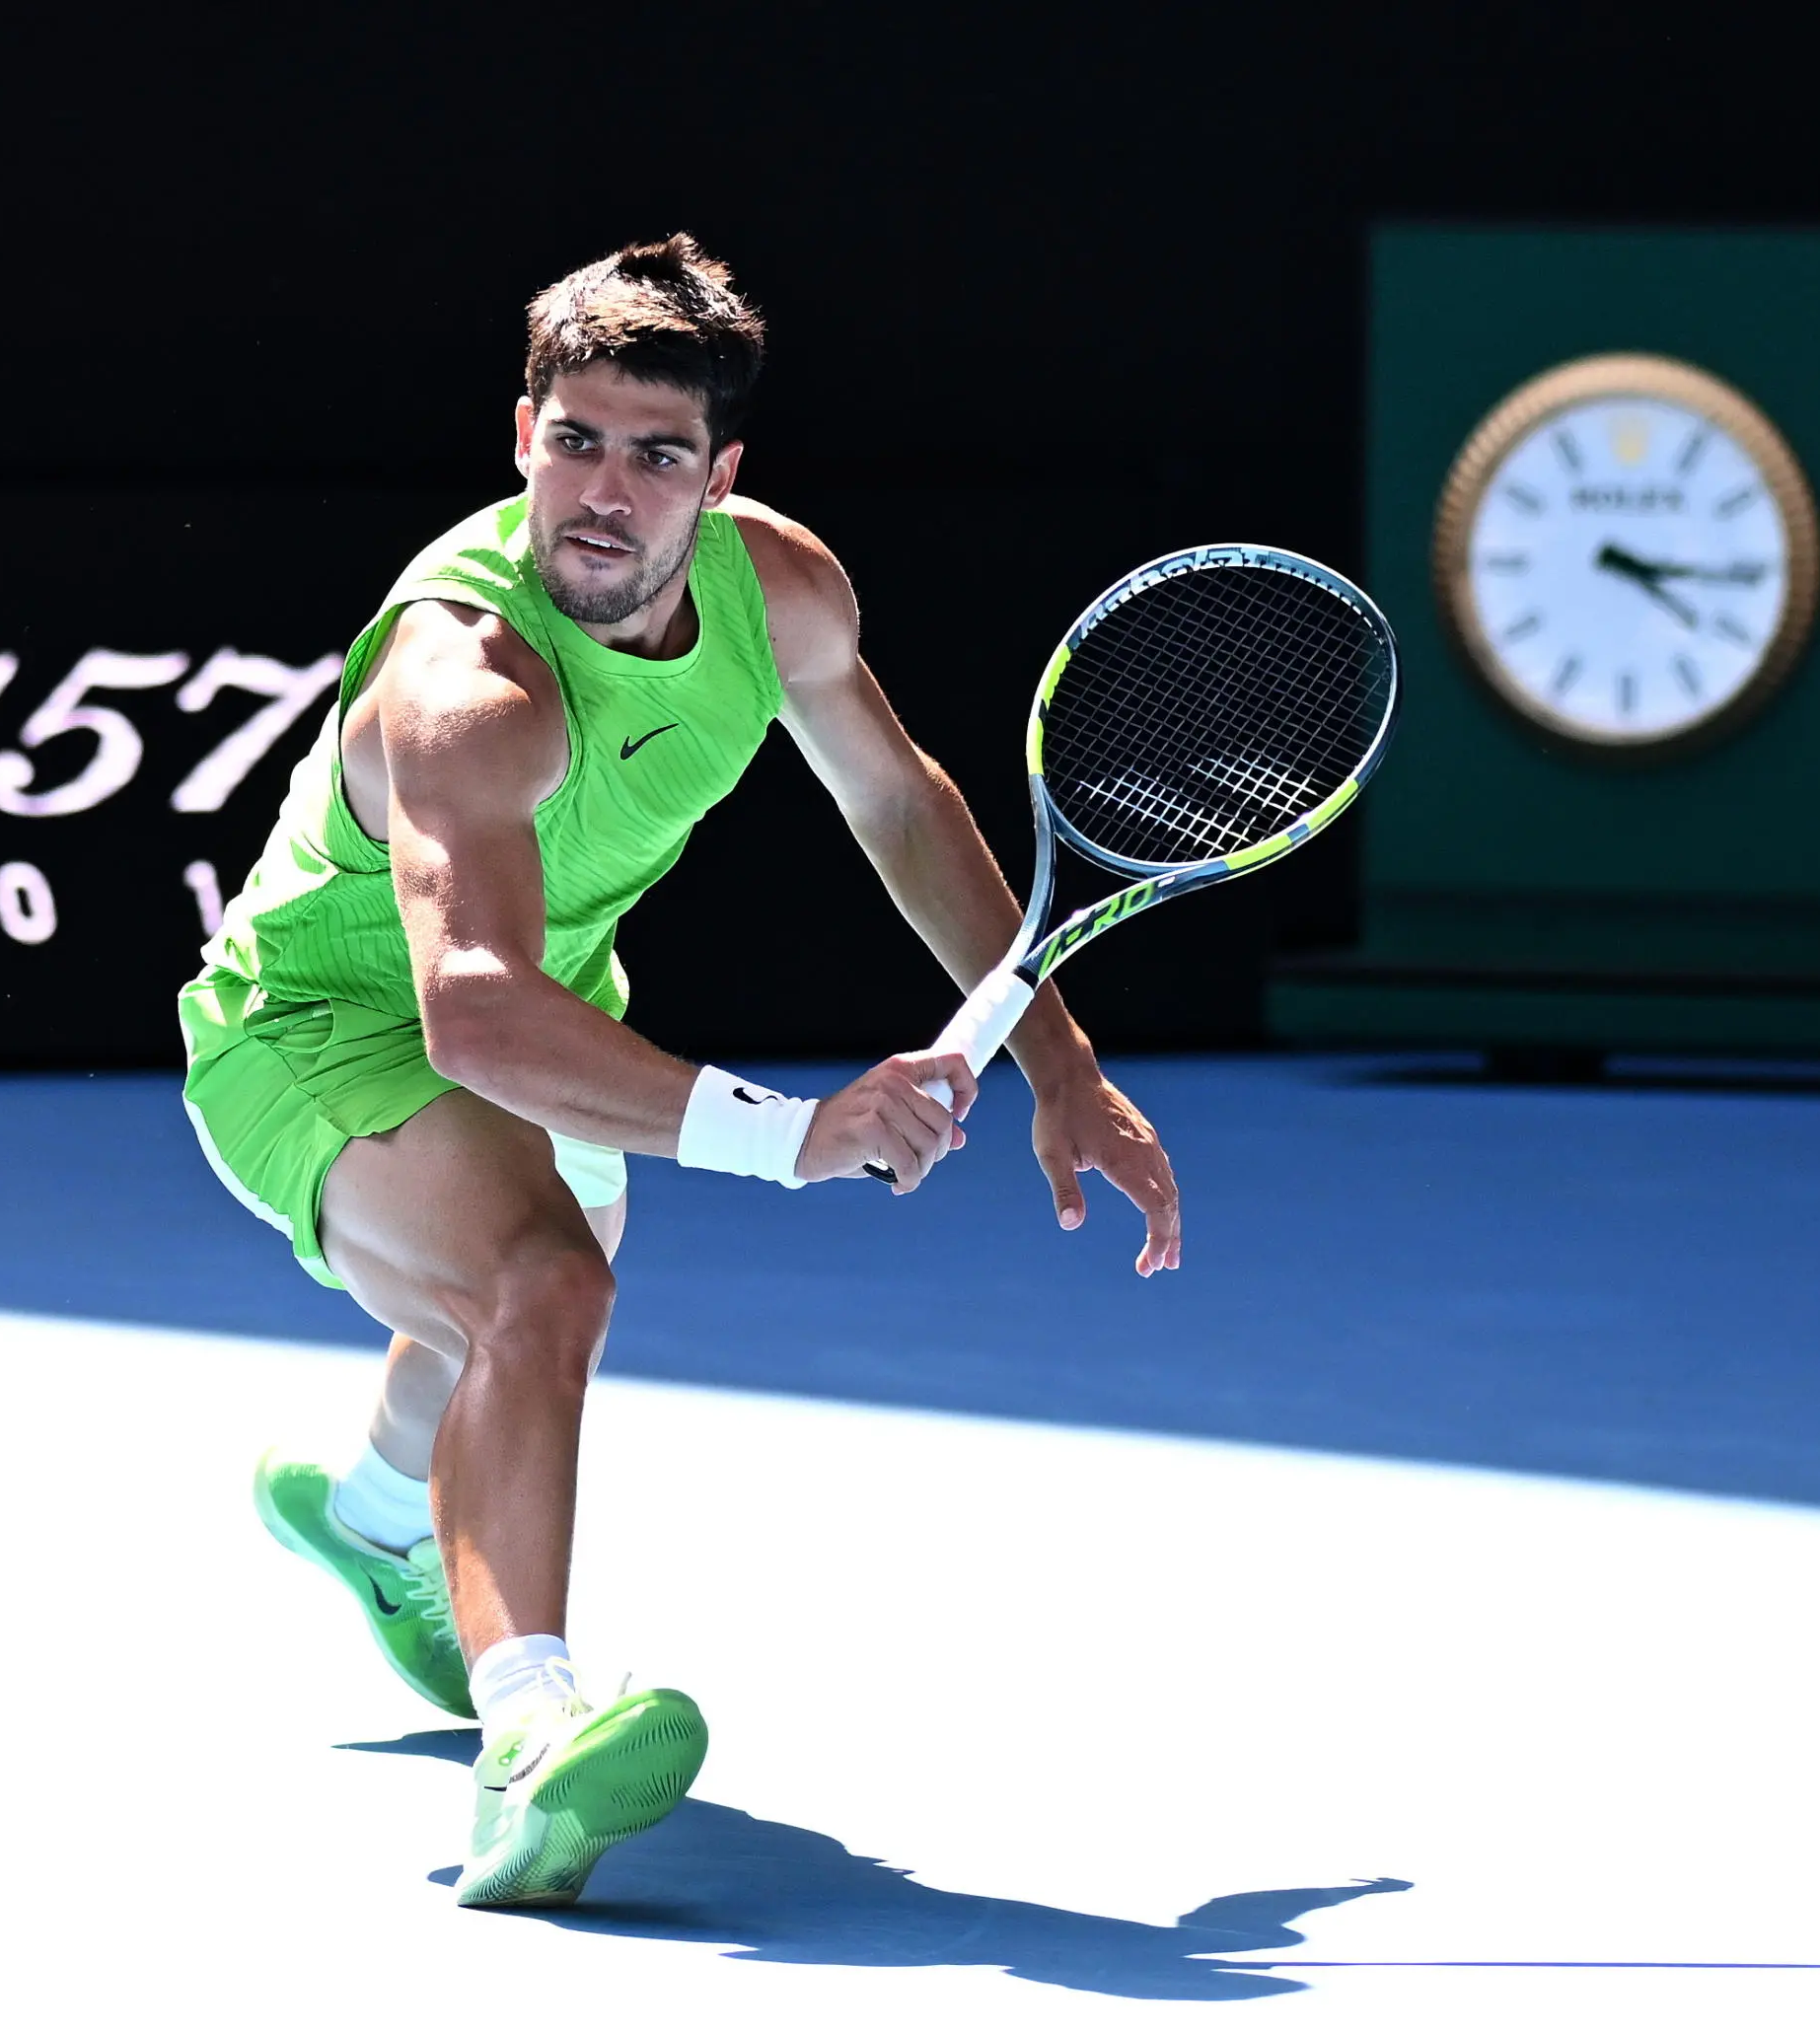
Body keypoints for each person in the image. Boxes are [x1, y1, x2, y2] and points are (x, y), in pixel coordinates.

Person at [179, 234, 1182, 1908]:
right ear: (523, 435)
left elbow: (894, 796)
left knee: (501, 1312)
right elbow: (472, 1017)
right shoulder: (468, 687)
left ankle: (367, 1514)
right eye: (575, 441)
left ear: (720, 481)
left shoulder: (779, 589)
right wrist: (794, 1134)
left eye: (656, 457)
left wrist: (1055, 1053)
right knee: (538, 1289)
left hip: (559, 994)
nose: (604, 493)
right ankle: (531, 1734)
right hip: (315, 1030)